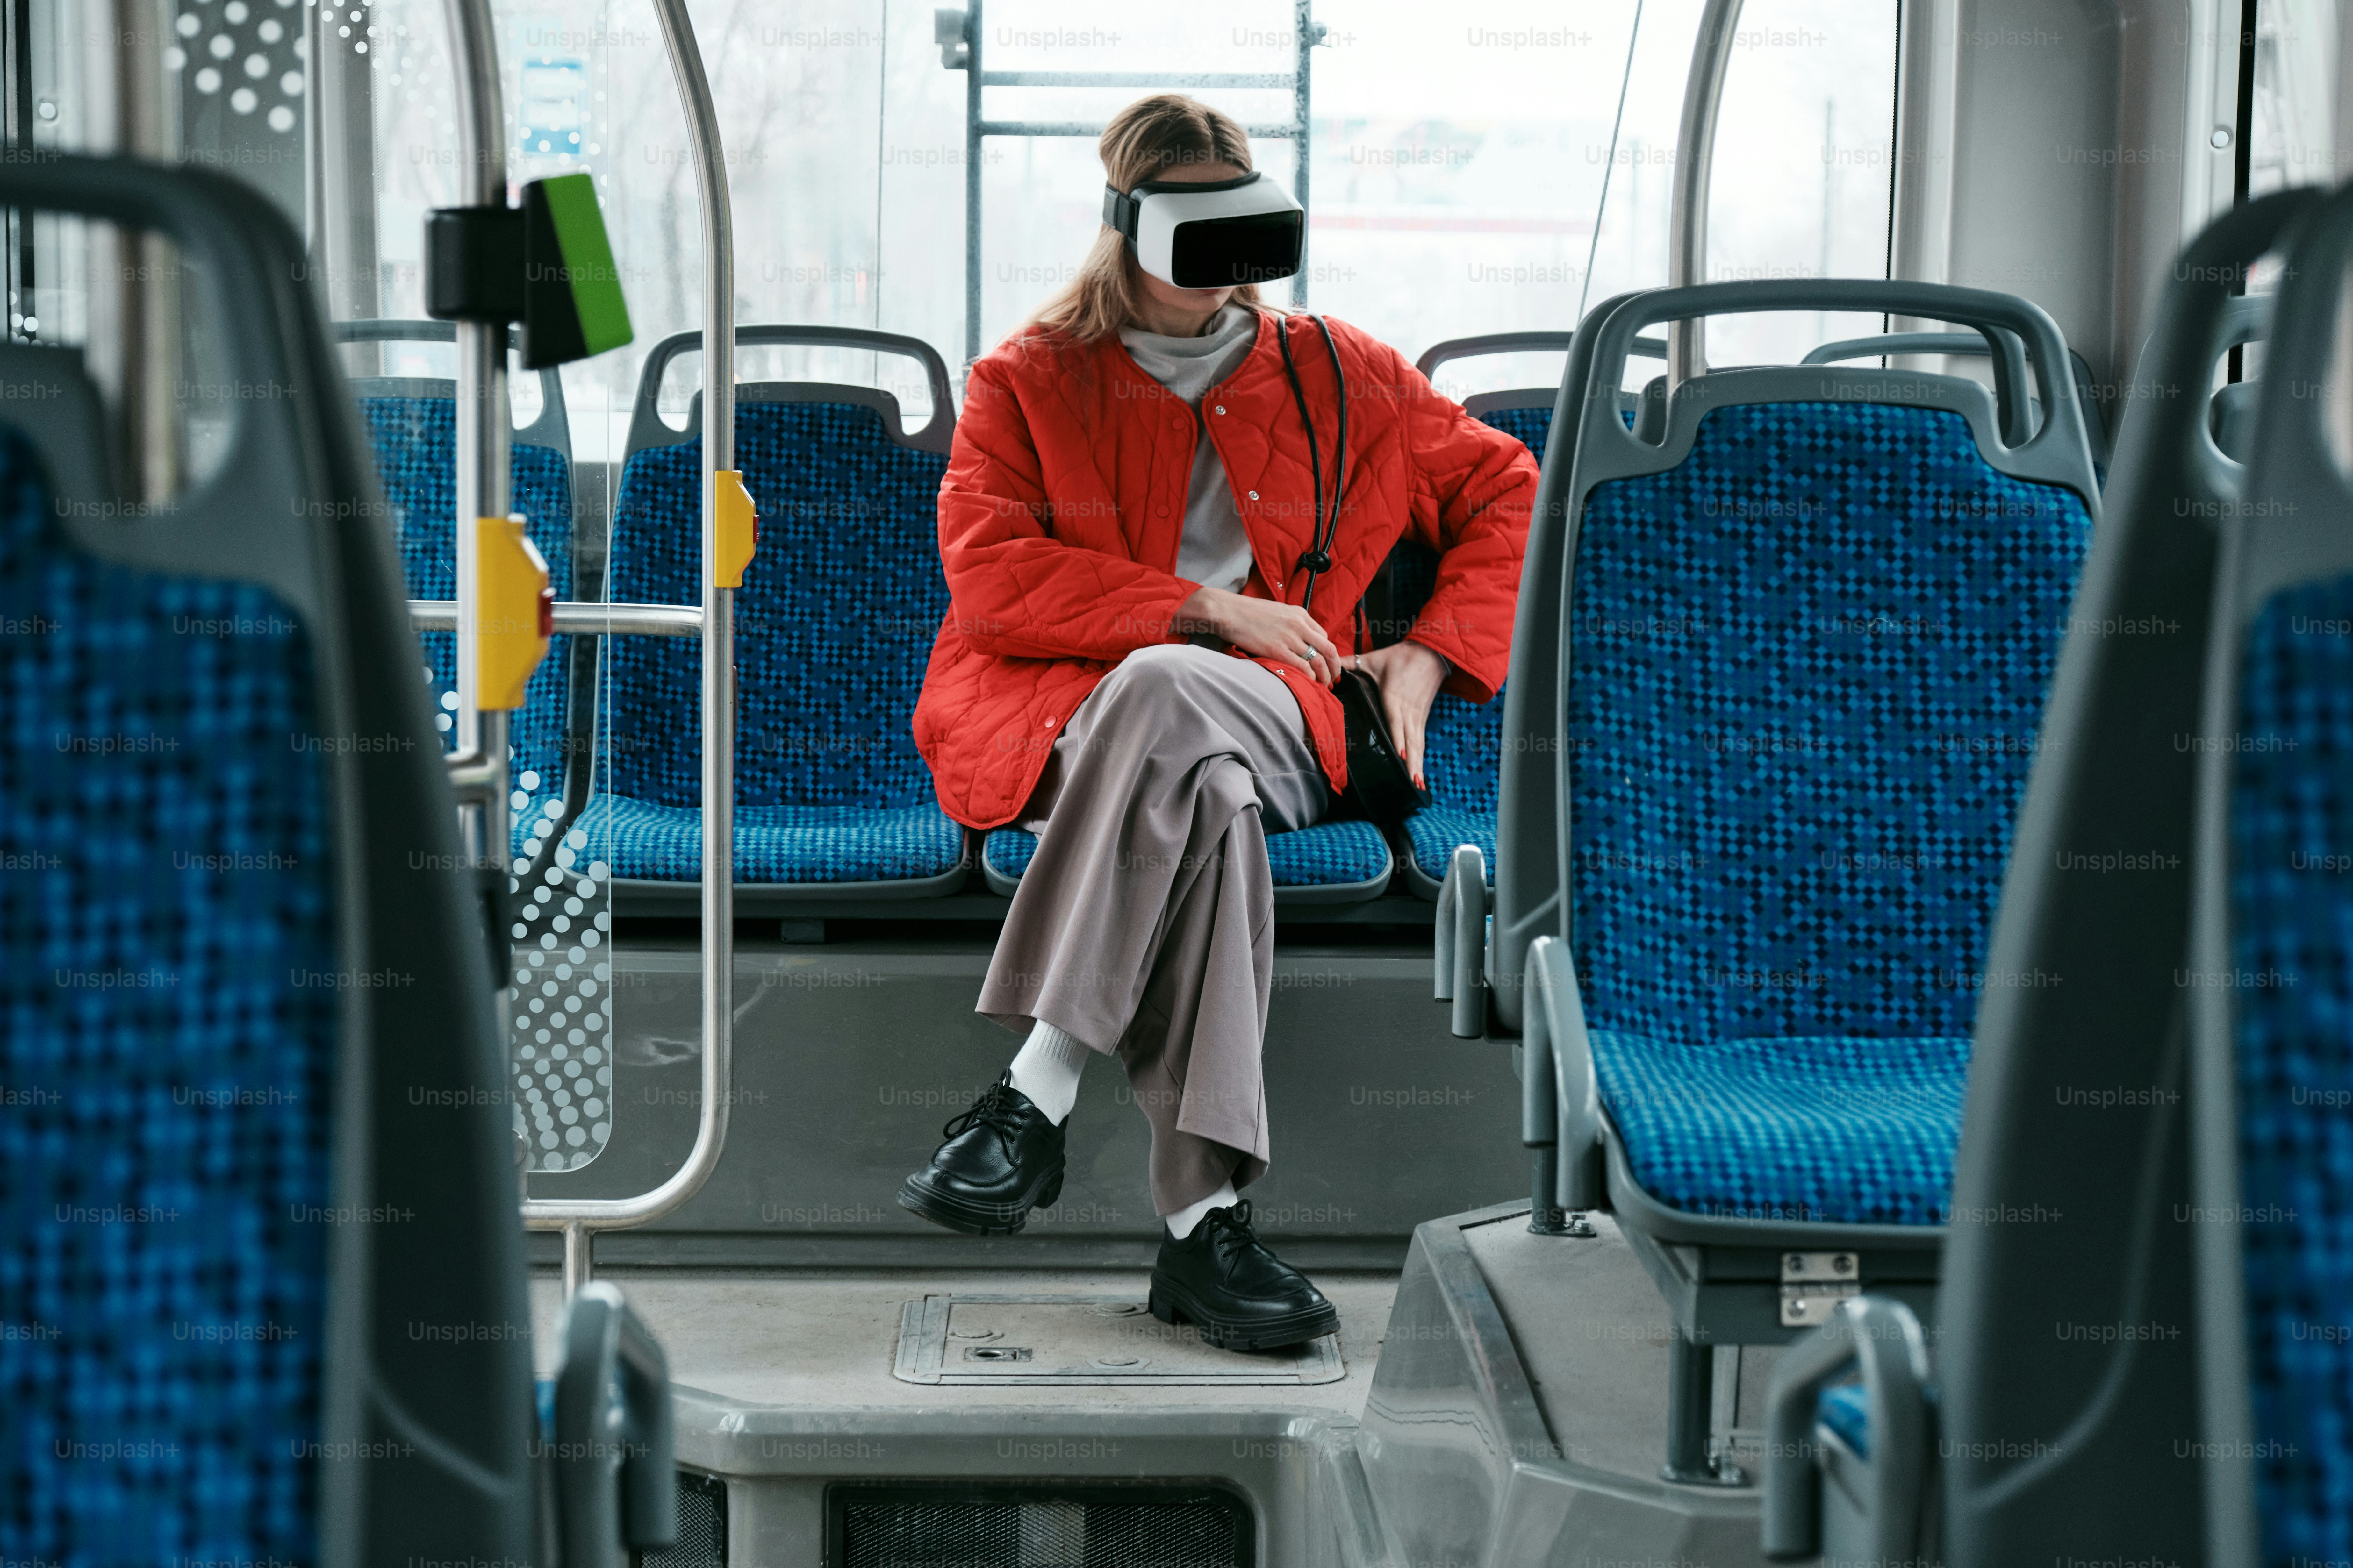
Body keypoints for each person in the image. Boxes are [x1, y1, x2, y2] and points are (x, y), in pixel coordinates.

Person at [902, 93, 1537, 1351]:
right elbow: (990, 576)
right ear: (1127, 229)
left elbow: (1509, 488)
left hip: (1296, 716)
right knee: (1202, 787)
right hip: (1061, 724)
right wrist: (1199, 609)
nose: (1226, 273)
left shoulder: (1343, 370)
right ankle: (1202, 1227)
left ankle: (1035, 1088)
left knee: (1170, 704)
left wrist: (1430, 655)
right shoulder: (1024, 382)